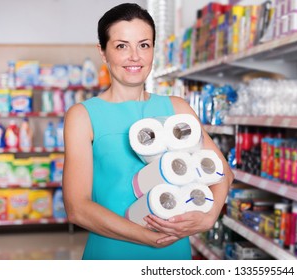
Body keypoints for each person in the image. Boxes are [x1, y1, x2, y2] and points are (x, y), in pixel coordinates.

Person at [62, 3, 233, 260]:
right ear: (103, 52)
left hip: (173, 255)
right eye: (122, 46)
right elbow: (78, 208)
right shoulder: (83, 116)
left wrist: (208, 217)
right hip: (112, 255)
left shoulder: (177, 108)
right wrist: (150, 237)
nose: (135, 56)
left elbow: (222, 174)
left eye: (144, 45)